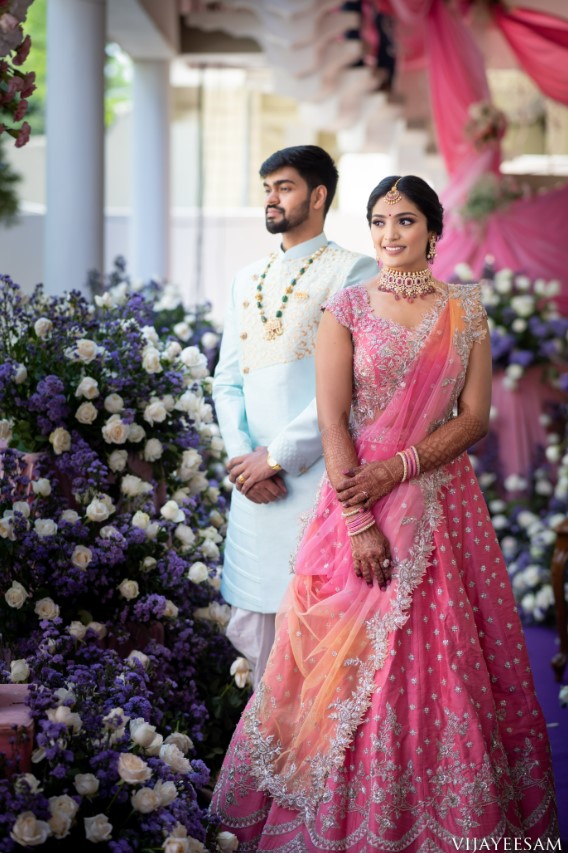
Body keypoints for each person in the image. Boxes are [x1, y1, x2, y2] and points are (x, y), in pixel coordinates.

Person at [210, 175, 559, 850]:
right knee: (342, 662)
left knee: (448, 654)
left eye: (404, 221)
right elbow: (334, 419)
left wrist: (398, 468)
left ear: (433, 230)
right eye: (378, 221)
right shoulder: (345, 308)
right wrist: (361, 518)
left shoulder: (467, 309)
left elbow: (476, 419)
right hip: (356, 505)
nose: (390, 235)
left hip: (442, 505)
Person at [213, 145, 377, 687]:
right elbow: (227, 380)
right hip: (252, 488)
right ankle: (262, 767)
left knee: (317, 647)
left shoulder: (355, 270)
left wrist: (278, 458)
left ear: (319, 194)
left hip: (313, 484)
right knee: (257, 640)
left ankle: (311, 771)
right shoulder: (244, 278)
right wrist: (244, 460)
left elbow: (353, 383)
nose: (271, 199)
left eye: (283, 187)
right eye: (267, 188)